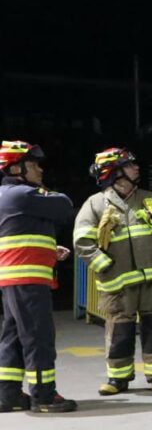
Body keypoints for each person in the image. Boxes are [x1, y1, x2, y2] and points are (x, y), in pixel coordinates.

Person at [74, 148, 152, 396]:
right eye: (130, 165)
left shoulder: (150, 199)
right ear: (115, 173)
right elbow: (82, 242)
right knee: (120, 331)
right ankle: (117, 379)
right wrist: (104, 265)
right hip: (118, 285)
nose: (136, 168)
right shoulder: (95, 205)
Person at [0, 141, 78, 413]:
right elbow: (64, 205)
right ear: (15, 167)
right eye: (34, 164)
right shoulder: (20, 194)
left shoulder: (8, 196)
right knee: (37, 336)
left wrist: (48, 249)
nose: (40, 169)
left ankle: (8, 395)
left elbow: (18, 235)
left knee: (12, 336)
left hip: (14, 279)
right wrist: (43, 192)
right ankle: (43, 396)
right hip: (28, 279)